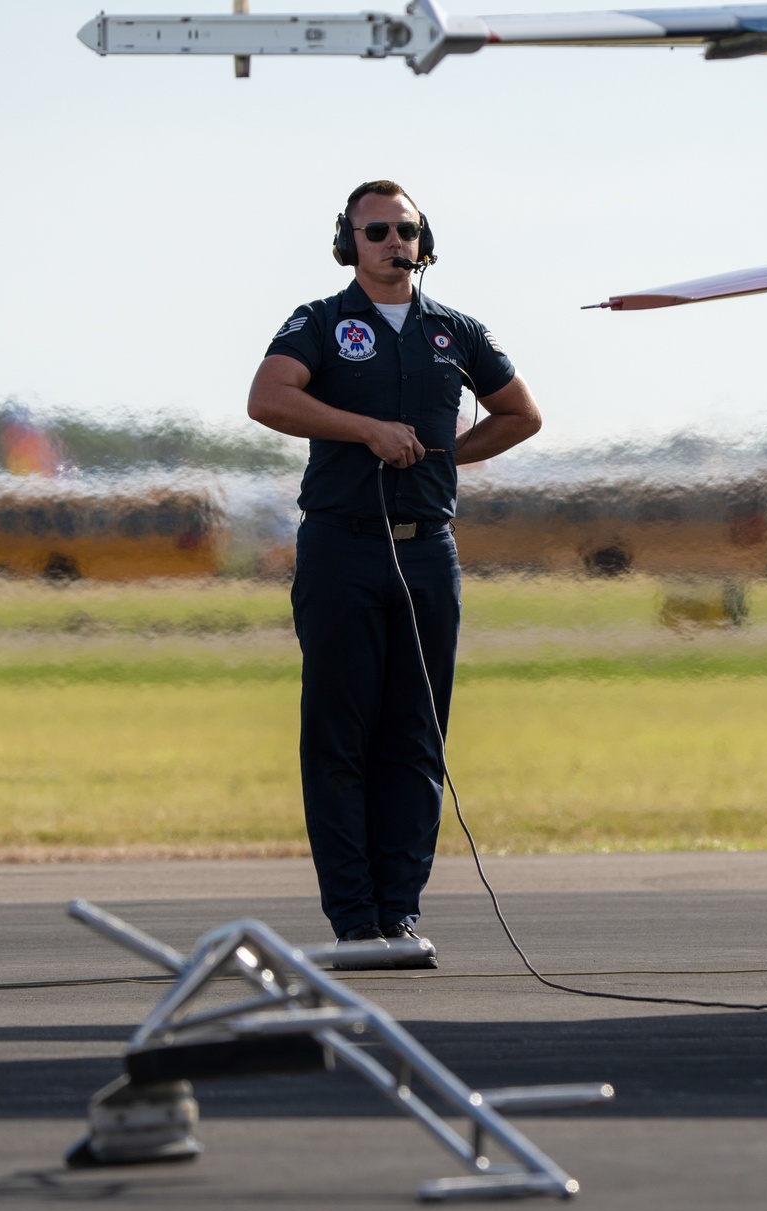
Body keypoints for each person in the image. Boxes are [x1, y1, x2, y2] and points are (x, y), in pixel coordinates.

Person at [247, 179, 541, 966]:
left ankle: (400, 917)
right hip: (343, 547)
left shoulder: (457, 331)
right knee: (340, 736)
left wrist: (449, 456)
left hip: (427, 549)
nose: (392, 241)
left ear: (424, 239)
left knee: (416, 736)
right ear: (348, 241)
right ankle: (354, 921)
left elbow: (522, 414)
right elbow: (268, 399)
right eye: (374, 230)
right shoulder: (320, 322)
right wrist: (367, 431)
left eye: (404, 229)